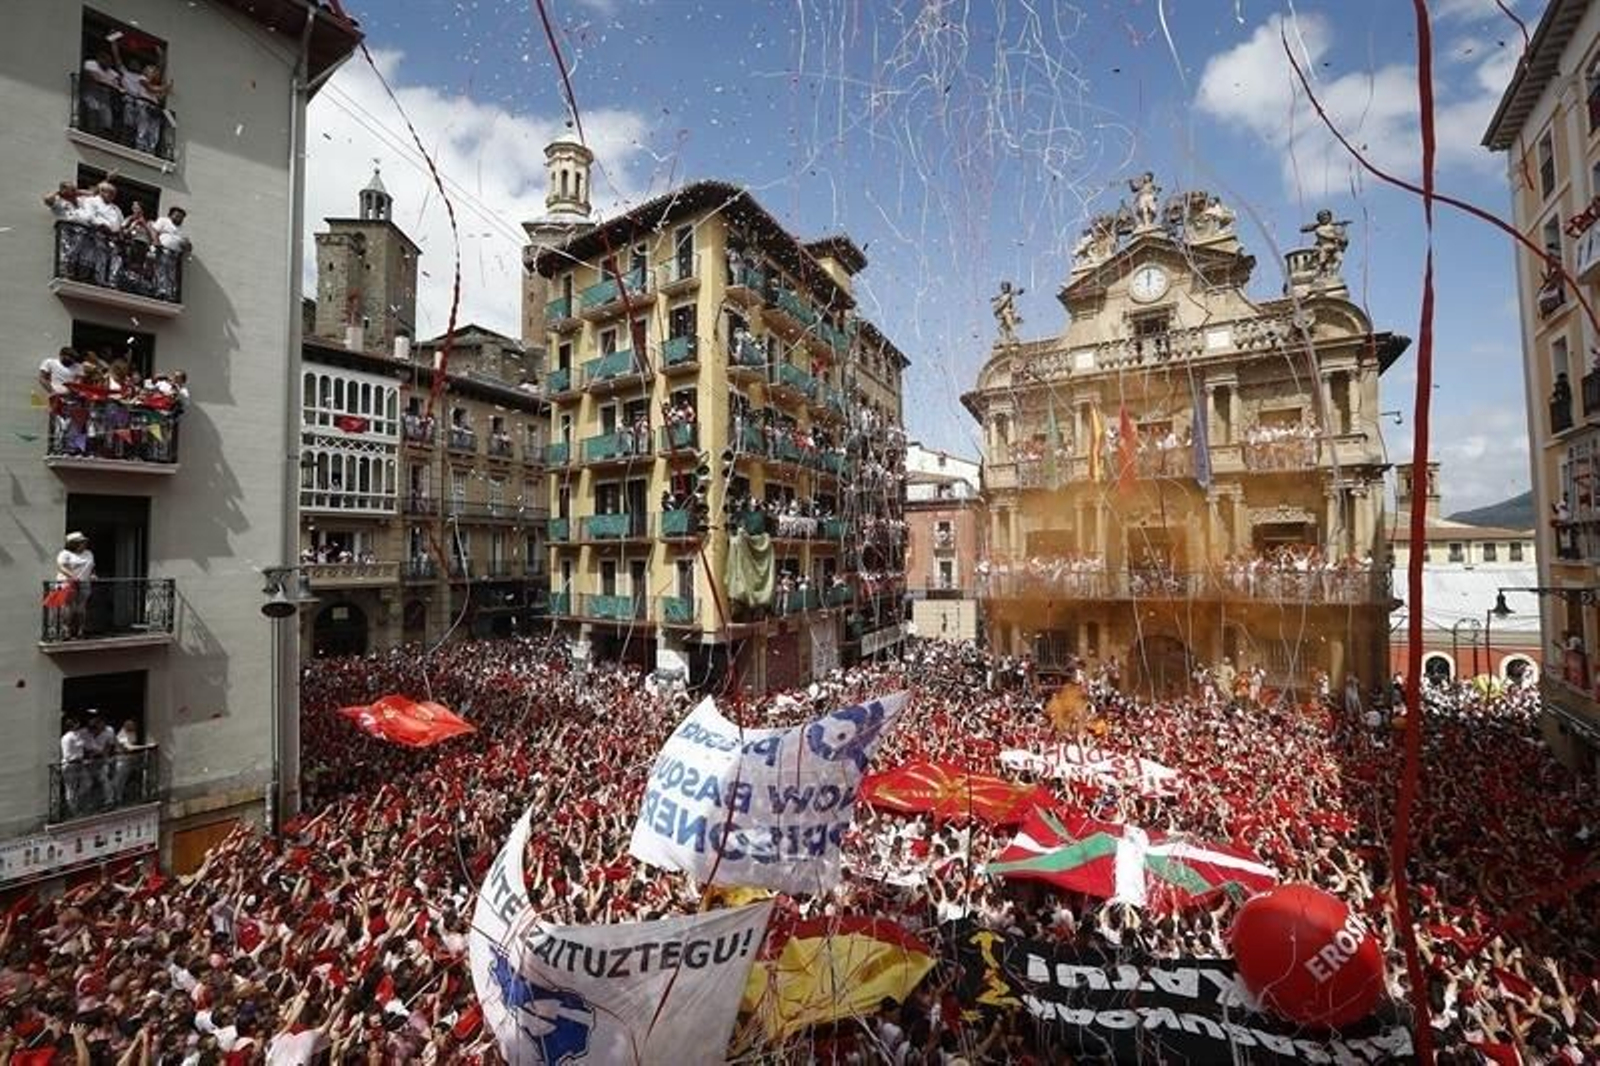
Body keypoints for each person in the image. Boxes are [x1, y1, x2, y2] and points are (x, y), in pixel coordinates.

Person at [54, 531, 96, 639]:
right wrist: (72, 576)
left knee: (81, 607)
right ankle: (66, 630)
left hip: (84, 583)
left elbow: (91, 566)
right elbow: (60, 567)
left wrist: (93, 575)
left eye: (84, 542)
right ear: (74, 544)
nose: (84, 544)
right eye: (81, 542)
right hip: (68, 584)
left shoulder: (89, 553)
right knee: (69, 607)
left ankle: (80, 631)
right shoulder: (65, 553)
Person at [149, 206, 188, 300]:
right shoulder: (163, 221)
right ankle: (160, 291)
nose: (180, 218)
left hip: (174, 254)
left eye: (182, 217)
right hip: (163, 250)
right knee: (161, 271)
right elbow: (154, 230)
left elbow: (185, 244)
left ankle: (169, 293)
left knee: (171, 274)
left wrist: (186, 245)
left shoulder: (181, 229)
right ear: (171, 215)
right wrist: (156, 242)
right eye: (178, 215)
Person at [58, 715, 87, 817]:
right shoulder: (66, 738)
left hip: (79, 764)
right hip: (70, 765)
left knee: (87, 784)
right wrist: (77, 758)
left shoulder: (77, 735)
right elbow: (67, 755)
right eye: (77, 723)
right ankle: (73, 811)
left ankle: (77, 804)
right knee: (70, 789)